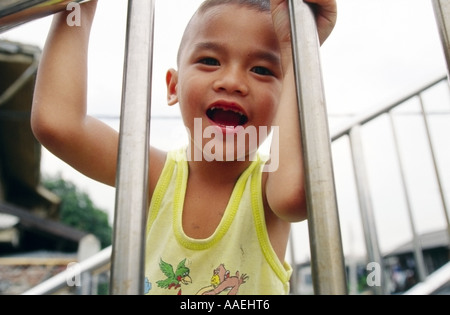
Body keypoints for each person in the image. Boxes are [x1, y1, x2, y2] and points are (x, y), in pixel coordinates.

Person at [31, 0, 337, 295]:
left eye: (262, 70)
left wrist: (297, 51)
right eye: (210, 61)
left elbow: (295, 197)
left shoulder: (269, 186)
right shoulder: (152, 173)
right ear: (173, 87)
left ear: (285, 99)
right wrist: (79, 5)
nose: (232, 82)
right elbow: (59, 124)